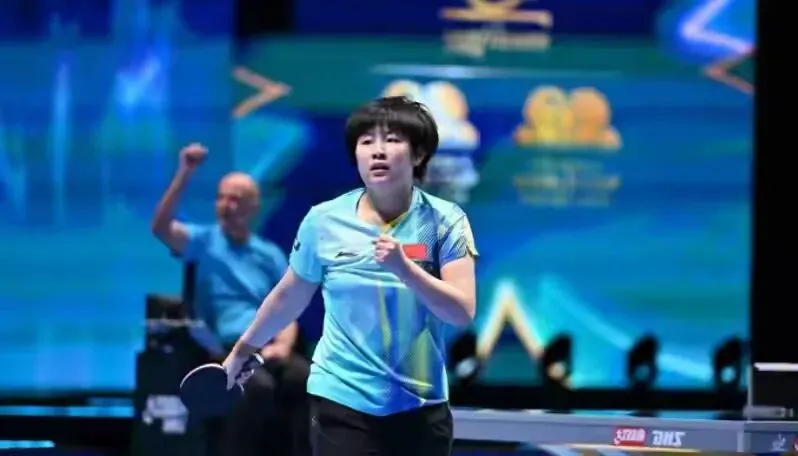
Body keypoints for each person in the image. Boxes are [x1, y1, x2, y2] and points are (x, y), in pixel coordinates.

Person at [223, 96, 478, 456]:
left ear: (419, 154)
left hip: (421, 404)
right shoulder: (323, 220)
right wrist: (242, 350)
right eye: (366, 141)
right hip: (341, 398)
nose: (377, 151)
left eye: (392, 140)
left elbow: (462, 311)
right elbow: (288, 297)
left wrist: (406, 270)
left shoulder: (445, 221)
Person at [150, 145, 310, 456]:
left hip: (268, 345)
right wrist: (185, 171)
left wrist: (283, 347)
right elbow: (161, 227)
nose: (226, 205)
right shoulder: (203, 241)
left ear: (253, 207)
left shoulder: (269, 254)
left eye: (235, 199)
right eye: (221, 197)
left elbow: (288, 309)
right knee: (257, 388)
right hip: (225, 348)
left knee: (304, 379)